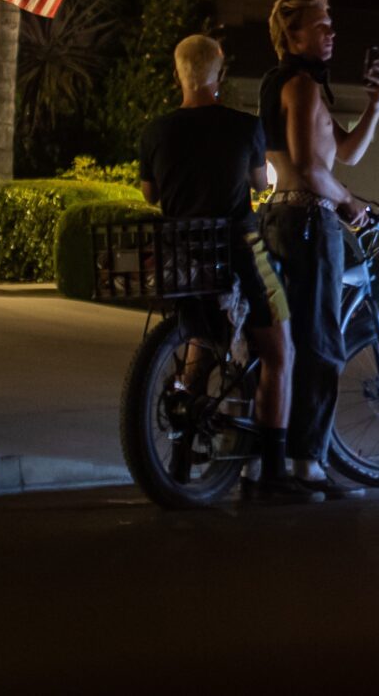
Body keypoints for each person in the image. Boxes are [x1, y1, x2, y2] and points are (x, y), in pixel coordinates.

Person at [138, 34, 312, 502]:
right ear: (219, 73)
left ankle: (179, 456)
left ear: (179, 73)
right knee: (280, 350)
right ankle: (272, 474)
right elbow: (258, 183)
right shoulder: (244, 126)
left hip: (183, 253)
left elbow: (150, 195)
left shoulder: (155, 131)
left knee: (199, 338)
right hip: (241, 245)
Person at [256, 0, 379, 498]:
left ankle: (263, 457)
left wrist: (376, 103)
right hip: (311, 223)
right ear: (291, 37)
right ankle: (308, 463)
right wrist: (351, 206)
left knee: (280, 343)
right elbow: (314, 170)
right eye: (320, 27)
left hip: (276, 219)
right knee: (323, 345)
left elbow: (346, 152)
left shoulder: (285, 83)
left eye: (332, 26)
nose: (331, 34)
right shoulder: (304, 87)